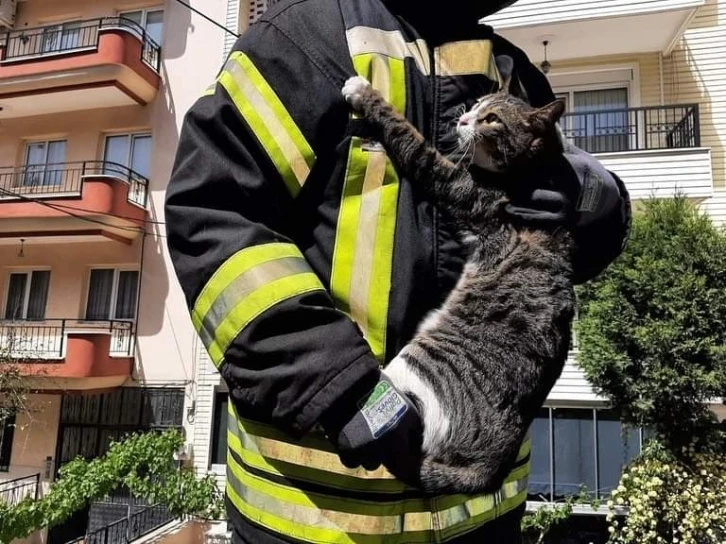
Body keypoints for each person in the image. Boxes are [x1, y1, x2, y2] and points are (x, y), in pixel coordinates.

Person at [164, 0, 632, 542]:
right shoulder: (302, 38)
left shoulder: (513, 71)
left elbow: (578, 235)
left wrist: (593, 201)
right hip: (314, 521)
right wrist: (338, 386)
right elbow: (214, 216)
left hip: (484, 514)